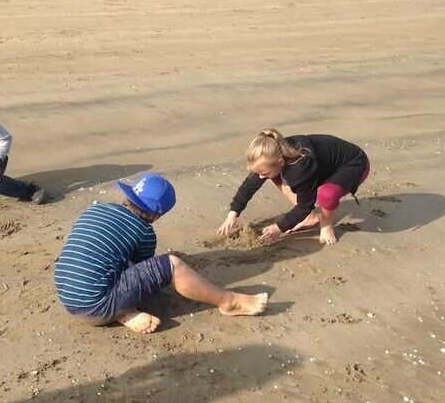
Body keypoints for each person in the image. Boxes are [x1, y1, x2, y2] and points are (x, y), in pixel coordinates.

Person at [55, 173, 269, 334]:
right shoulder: (144, 231)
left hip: (67, 295)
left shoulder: (96, 209)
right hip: (96, 305)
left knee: (109, 259)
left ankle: (122, 312)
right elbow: (145, 273)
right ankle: (228, 301)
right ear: (157, 215)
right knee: (171, 265)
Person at [218, 130, 369, 246]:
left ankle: (326, 224)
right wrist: (233, 213)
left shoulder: (300, 169)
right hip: (323, 167)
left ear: (280, 161)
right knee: (273, 174)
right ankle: (309, 219)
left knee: (326, 195)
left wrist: (279, 228)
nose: (261, 177)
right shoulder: (273, 151)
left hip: (354, 164)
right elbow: (249, 186)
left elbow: (305, 204)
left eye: (263, 173)